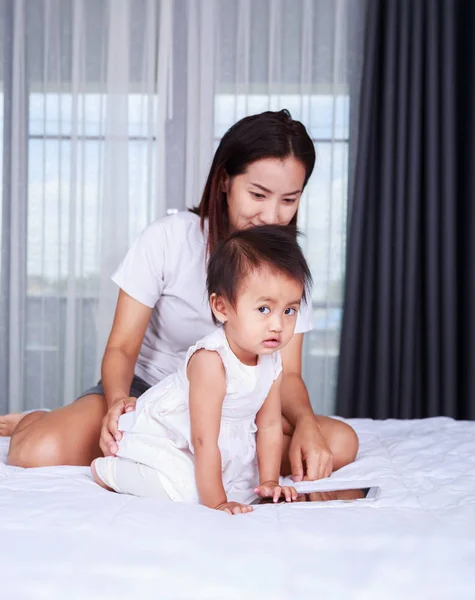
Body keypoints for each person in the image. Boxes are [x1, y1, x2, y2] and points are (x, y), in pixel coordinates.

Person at [5, 109, 358, 481]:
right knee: (36, 451)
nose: (271, 215)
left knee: (339, 443)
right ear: (224, 181)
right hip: (148, 396)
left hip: (236, 409)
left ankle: (187, 457)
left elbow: (287, 375)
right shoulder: (169, 239)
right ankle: (34, 421)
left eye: (289, 200)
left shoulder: (288, 271)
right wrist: (115, 406)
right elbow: (122, 348)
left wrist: (304, 422)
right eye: (257, 194)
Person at [92, 225, 309, 514]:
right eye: (263, 309)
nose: (278, 325)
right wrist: (217, 503)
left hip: (216, 445)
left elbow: (269, 426)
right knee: (186, 491)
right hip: (174, 438)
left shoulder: (272, 361)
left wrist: (269, 482)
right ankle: (111, 471)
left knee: (242, 488)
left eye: (289, 311)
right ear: (221, 307)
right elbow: (203, 439)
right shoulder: (211, 361)